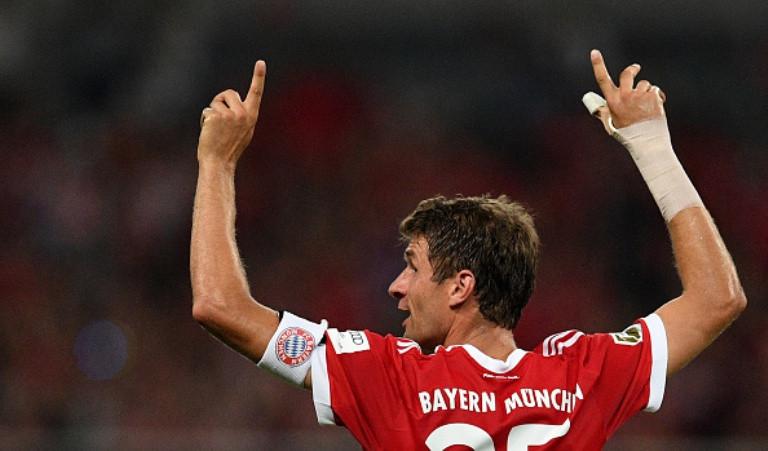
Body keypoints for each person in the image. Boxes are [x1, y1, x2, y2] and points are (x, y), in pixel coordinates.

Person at [190, 50, 746, 450]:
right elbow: (718, 299)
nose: (396, 287)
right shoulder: (581, 375)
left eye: (412, 267)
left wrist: (217, 163)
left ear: (460, 286)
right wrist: (653, 148)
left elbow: (220, 306)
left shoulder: (385, 375)